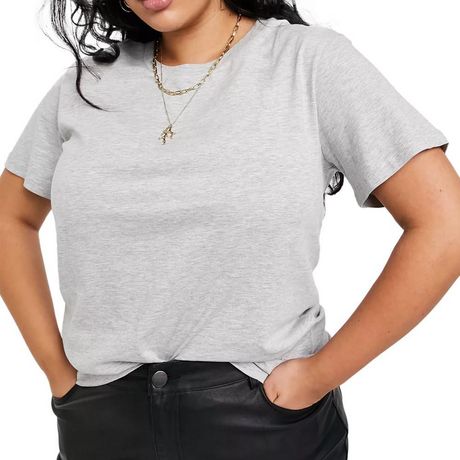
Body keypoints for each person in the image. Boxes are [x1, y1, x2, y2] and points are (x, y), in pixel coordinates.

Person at [0, 0, 459, 459]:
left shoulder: (307, 62)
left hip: (264, 425)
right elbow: (10, 218)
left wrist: (320, 375)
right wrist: (57, 371)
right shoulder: (86, 85)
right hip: (100, 427)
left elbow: (445, 222)